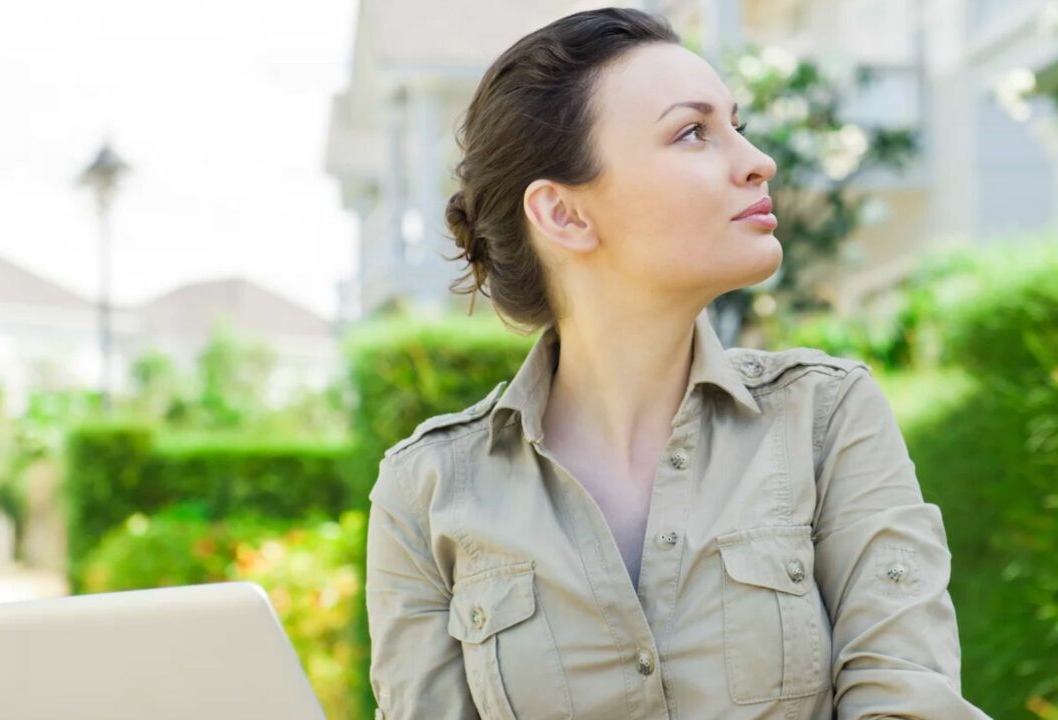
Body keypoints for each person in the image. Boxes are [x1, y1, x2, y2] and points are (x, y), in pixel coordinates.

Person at [364, 7, 992, 719]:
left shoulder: (826, 417)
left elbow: (909, 702)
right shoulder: (426, 491)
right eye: (693, 132)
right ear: (565, 215)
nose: (758, 161)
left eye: (737, 125)